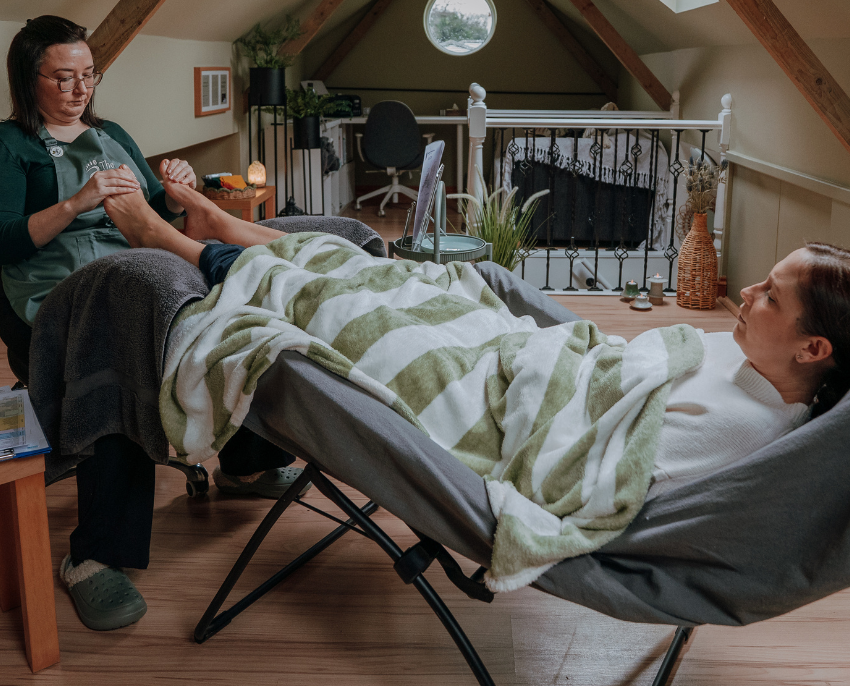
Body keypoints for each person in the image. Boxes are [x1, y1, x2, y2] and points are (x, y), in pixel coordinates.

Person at [103, 180, 850, 499]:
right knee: (389, 276)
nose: (747, 292)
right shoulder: (745, 362)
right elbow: (625, 364)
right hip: (524, 360)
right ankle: (223, 226)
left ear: (813, 348)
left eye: (771, 295)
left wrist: (538, 370)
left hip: (491, 402)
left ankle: (177, 238)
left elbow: (582, 470)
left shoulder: (743, 426)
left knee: (338, 294)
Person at [0, 16, 299, 632]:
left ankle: (245, 463)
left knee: (228, 320)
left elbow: (152, 208)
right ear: (29, 80)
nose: (80, 90)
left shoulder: (110, 133)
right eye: (64, 78)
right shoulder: (10, 146)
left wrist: (173, 188)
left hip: (137, 267)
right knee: (120, 351)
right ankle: (92, 557)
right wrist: (75, 204)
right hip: (59, 294)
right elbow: (3, 242)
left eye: (88, 76)